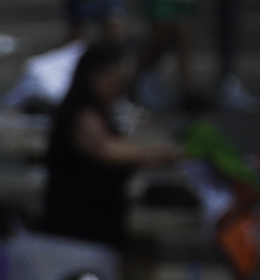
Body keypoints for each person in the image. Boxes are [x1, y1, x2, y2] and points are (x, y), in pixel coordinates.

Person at [40, 50, 178, 268]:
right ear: (95, 77)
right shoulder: (81, 116)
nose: (121, 91)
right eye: (117, 83)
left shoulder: (100, 114)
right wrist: (167, 153)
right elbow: (108, 151)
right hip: (76, 235)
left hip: (99, 232)